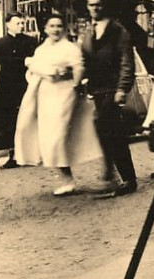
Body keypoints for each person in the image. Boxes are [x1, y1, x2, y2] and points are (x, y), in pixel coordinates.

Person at [14, 12, 101, 194]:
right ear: (45, 29)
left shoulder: (70, 48)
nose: (55, 29)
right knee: (48, 136)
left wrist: (74, 81)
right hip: (46, 94)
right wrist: (44, 71)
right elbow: (33, 70)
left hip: (65, 92)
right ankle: (66, 178)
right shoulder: (41, 50)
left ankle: (83, 175)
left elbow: (79, 67)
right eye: (51, 26)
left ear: (64, 28)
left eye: (59, 26)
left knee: (59, 135)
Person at [80, 0, 137, 197]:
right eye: (91, 5)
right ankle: (115, 175)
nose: (95, 8)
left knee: (112, 133)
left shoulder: (118, 30)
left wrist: (122, 88)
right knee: (107, 132)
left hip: (112, 89)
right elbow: (85, 59)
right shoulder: (89, 32)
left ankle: (124, 178)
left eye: (98, 4)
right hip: (97, 90)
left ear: (105, 5)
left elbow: (126, 62)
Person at [0, 13, 37, 168]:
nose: (21, 26)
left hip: (25, 85)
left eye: (22, 23)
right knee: (7, 121)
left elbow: (37, 62)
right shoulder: (0, 43)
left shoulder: (31, 42)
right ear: (8, 24)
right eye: (18, 23)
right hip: (6, 88)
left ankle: (29, 153)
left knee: (25, 119)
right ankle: (13, 155)